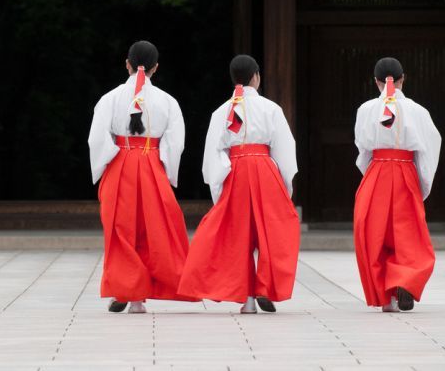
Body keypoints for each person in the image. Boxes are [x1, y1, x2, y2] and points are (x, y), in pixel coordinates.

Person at [178, 54, 300, 314]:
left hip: (234, 172)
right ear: (256, 76)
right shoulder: (271, 109)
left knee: (237, 235)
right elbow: (285, 149)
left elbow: (213, 153)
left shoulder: (222, 111)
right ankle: (265, 286)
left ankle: (246, 298)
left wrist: (219, 188)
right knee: (271, 232)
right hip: (265, 169)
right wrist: (285, 186)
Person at [88, 40, 192, 313]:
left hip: (120, 161)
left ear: (127, 63)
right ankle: (138, 296)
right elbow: (176, 143)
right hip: (152, 163)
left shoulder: (109, 99)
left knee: (120, 229)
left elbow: (96, 139)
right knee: (152, 229)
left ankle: (127, 289)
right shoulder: (168, 101)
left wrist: (107, 164)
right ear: (156, 67)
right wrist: (165, 170)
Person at [353, 57, 441, 312]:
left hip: (377, 171)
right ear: (403, 79)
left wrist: (371, 173)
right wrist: (422, 185)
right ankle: (405, 281)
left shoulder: (366, 109)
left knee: (374, 232)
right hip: (405, 172)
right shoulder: (418, 111)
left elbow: (362, 149)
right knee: (408, 233)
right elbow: (429, 149)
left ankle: (385, 294)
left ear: (376, 82)